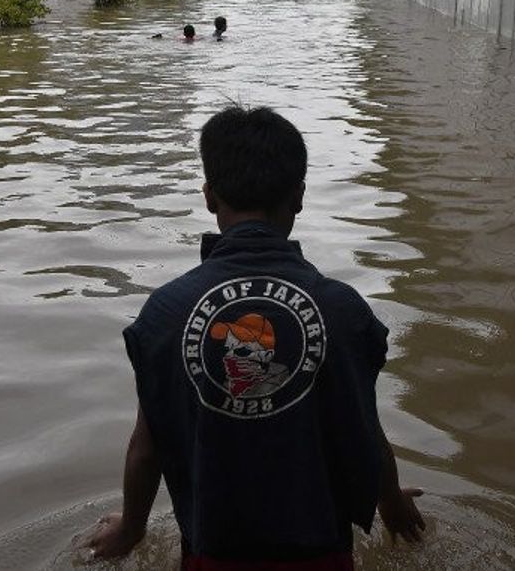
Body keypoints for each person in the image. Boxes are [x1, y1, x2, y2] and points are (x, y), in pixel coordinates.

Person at [83, 107, 425, 569]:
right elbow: (364, 428)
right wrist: (390, 503)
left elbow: (147, 447)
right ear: (299, 197)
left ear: (208, 196)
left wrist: (131, 528)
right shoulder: (343, 312)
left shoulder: (166, 313)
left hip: (211, 553)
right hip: (322, 554)